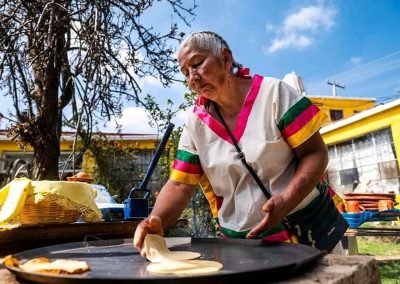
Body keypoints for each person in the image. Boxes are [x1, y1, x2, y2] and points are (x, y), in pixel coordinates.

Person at [133, 31, 345, 255]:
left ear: (225, 59)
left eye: (197, 64)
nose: (192, 77)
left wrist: (286, 200)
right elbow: (179, 184)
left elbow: (314, 153)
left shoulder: (274, 94)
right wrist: (157, 220)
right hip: (244, 247)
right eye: (185, 72)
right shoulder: (195, 125)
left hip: (305, 234)